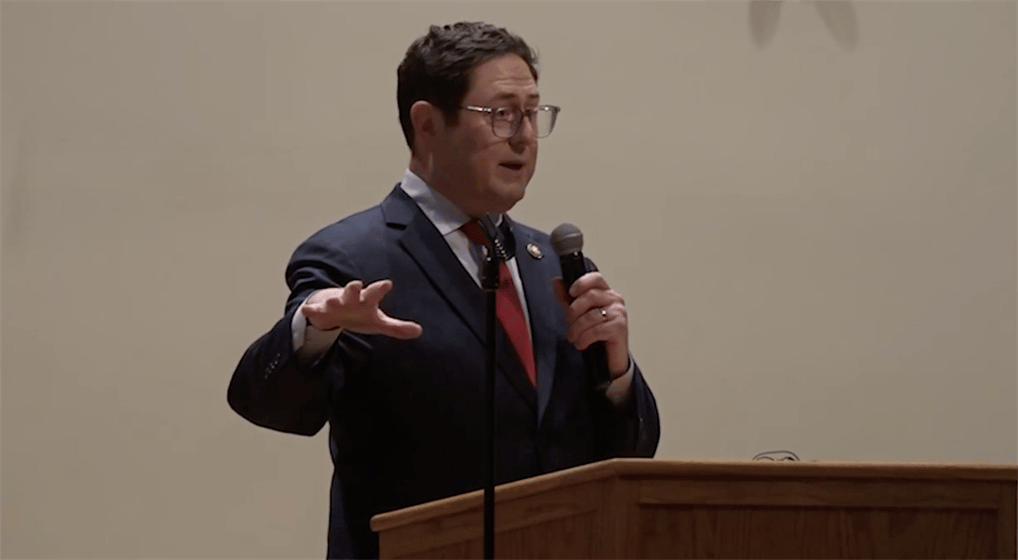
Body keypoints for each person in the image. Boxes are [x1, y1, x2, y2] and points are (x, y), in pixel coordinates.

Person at [227, 21, 660, 559]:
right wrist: (313, 329)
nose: (524, 135)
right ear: (428, 124)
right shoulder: (352, 258)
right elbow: (266, 404)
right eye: (502, 114)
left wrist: (615, 376)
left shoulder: (551, 262)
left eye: (532, 113)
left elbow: (627, 453)